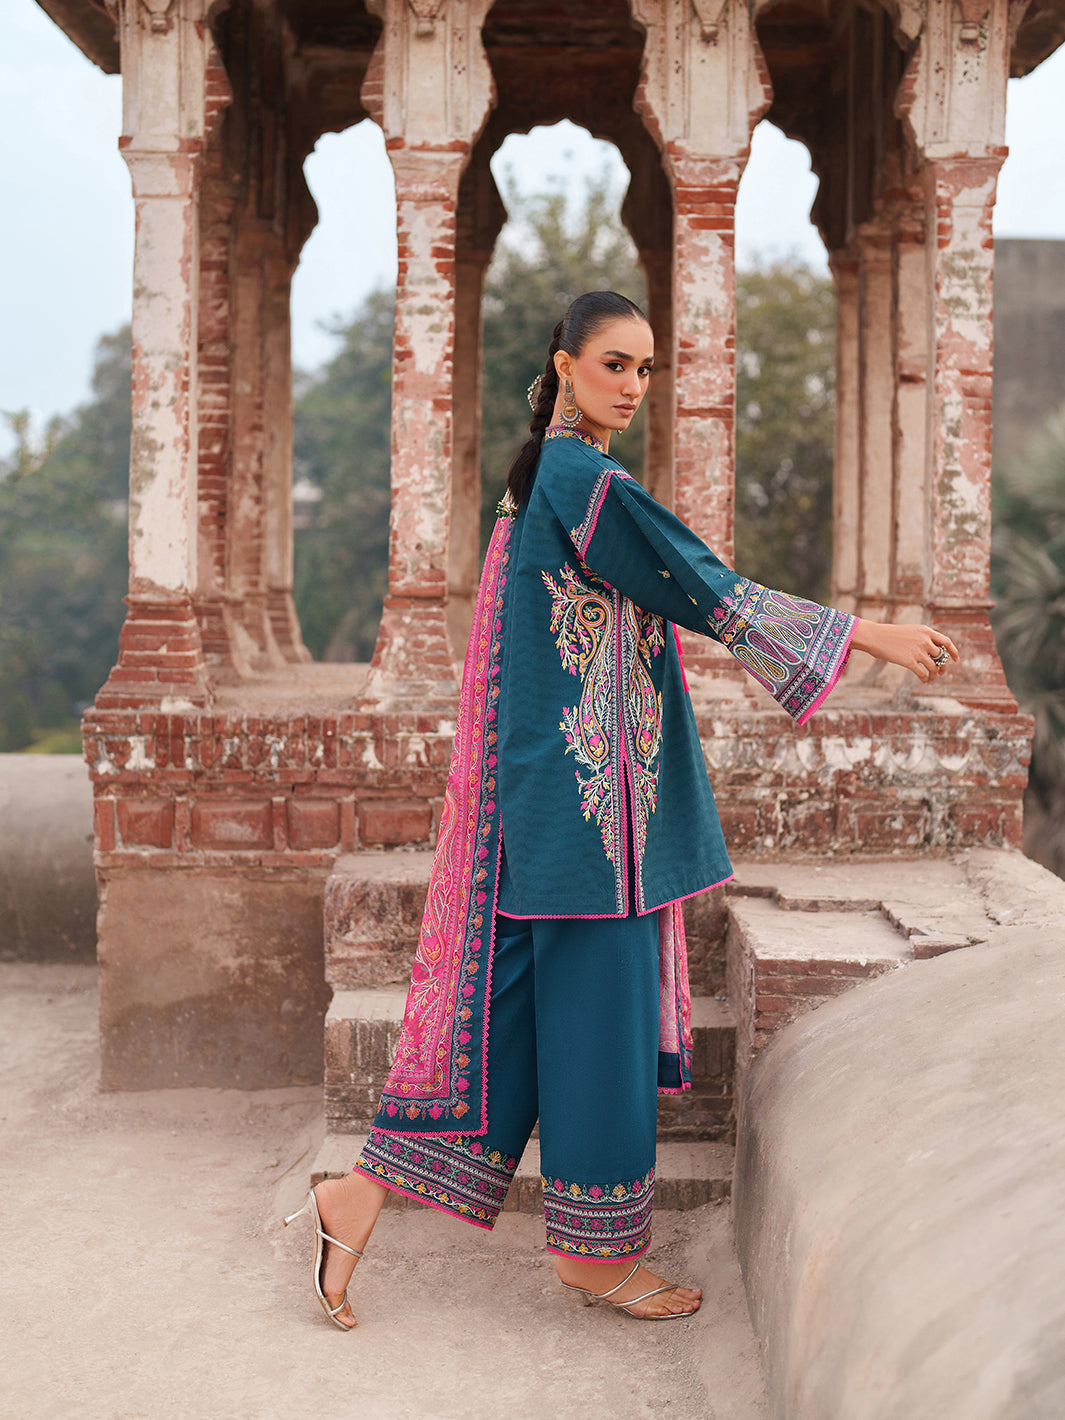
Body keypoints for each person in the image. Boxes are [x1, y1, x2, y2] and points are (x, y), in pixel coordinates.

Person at [283, 290, 959, 1328]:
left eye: (645, 369)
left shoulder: (542, 481)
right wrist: (866, 634)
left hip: (557, 805)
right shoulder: (581, 478)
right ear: (563, 364)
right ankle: (594, 1258)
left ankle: (357, 1195)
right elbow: (702, 584)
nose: (633, 385)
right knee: (601, 1026)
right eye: (613, 363)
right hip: (595, 822)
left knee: (506, 1030)